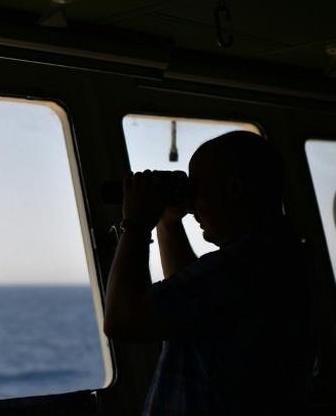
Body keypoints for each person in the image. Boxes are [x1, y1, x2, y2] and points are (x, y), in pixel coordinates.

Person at [103, 131, 316, 415]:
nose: (192, 207)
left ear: (235, 189)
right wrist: (169, 221)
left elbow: (123, 319)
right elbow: (190, 303)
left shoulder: (244, 266)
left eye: (198, 189)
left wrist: (137, 225)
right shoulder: (279, 257)